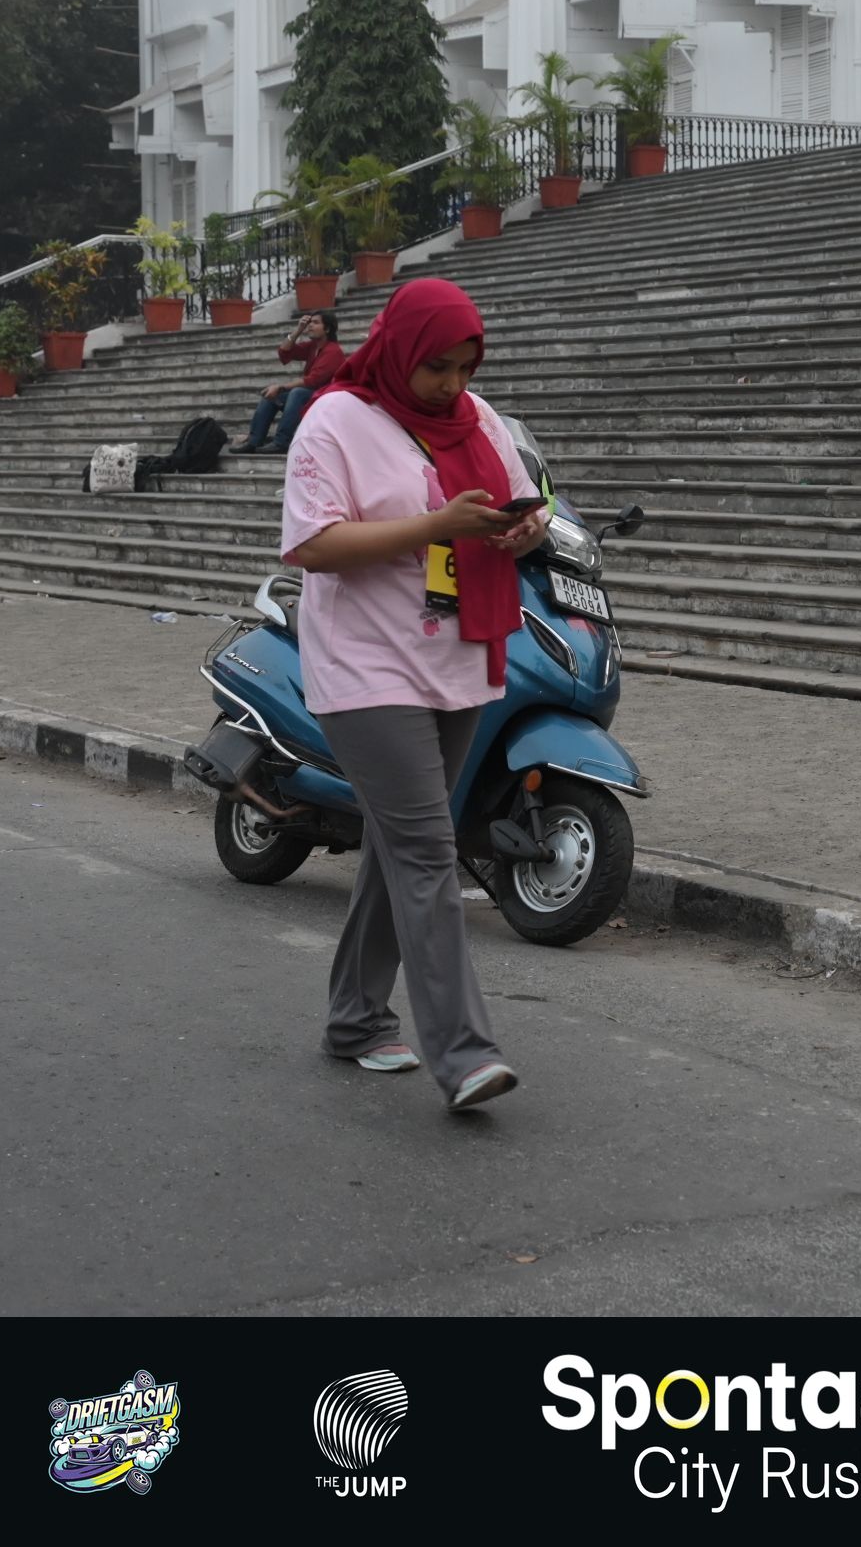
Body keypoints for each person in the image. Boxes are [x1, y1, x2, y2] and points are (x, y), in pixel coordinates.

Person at [280, 277, 551, 1112]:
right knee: (428, 848)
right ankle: (465, 1053)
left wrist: (524, 527)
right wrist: (435, 527)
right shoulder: (334, 420)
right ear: (398, 350)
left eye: (466, 368)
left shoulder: (479, 419)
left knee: (398, 846)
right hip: (365, 666)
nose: (451, 385)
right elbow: (314, 545)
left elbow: (528, 505)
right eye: (437, 367)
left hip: (459, 655)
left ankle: (355, 1019)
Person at [239, 311, 344, 454]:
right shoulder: (313, 347)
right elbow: (285, 352)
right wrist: (298, 330)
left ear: (327, 329)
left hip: (324, 398)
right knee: (271, 396)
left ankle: (282, 442)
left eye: (316, 323)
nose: (310, 326)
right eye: (310, 322)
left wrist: (280, 386)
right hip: (310, 396)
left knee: (297, 392)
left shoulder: (333, 351)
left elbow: (312, 380)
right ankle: (254, 441)